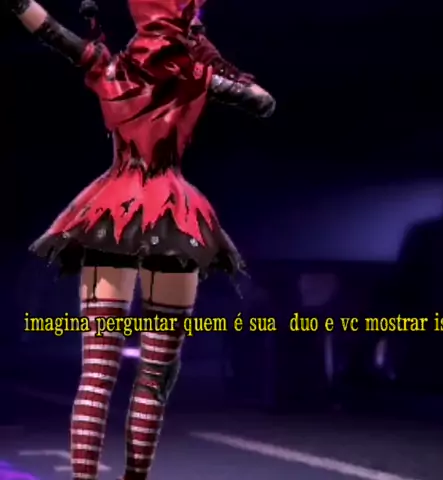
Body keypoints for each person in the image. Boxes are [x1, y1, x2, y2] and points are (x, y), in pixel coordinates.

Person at [6, 0, 275, 477]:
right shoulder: (197, 77)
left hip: (111, 212)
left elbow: (51, 32)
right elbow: (262, 101)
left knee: (96, 373)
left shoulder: (109, 67)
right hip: (175, 216)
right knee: (154, 375)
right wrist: (207, 56)